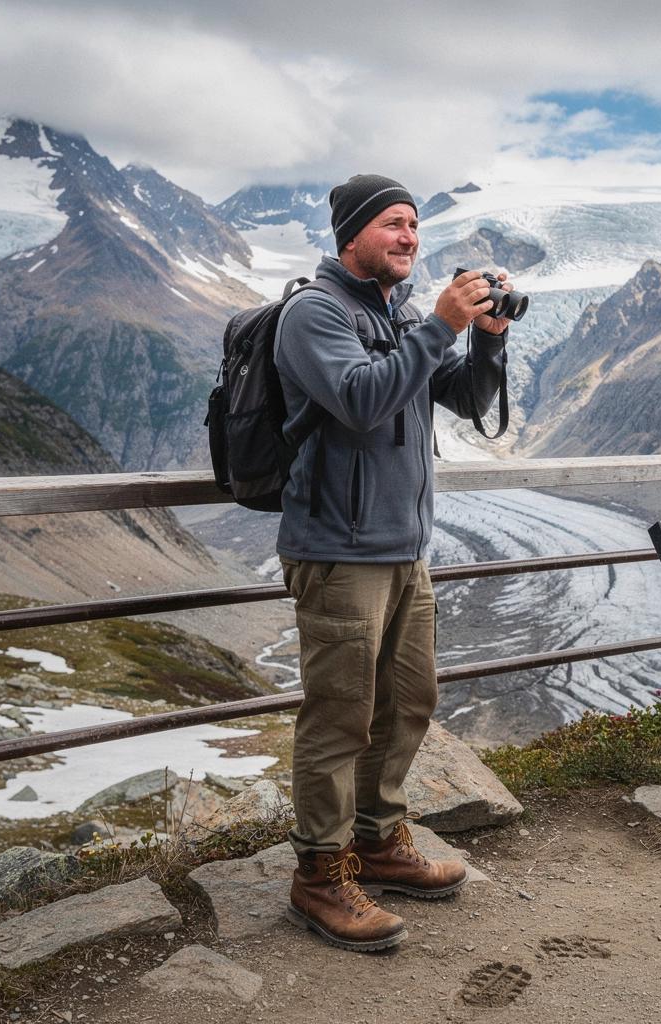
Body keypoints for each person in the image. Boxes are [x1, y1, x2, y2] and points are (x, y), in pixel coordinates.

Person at [274, 173, 512, 952]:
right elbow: (360, 399)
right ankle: (319, 876)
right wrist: (439, 326)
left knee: (408, 702)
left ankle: (377, 842)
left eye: (414, 225)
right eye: (393, 225)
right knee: (339, 717)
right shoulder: (315, 312)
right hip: (339, 552)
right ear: (352, 235)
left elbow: (469, 403)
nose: (410, 236)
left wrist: (486, 337)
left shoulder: (402, 313)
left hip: (405, 549)